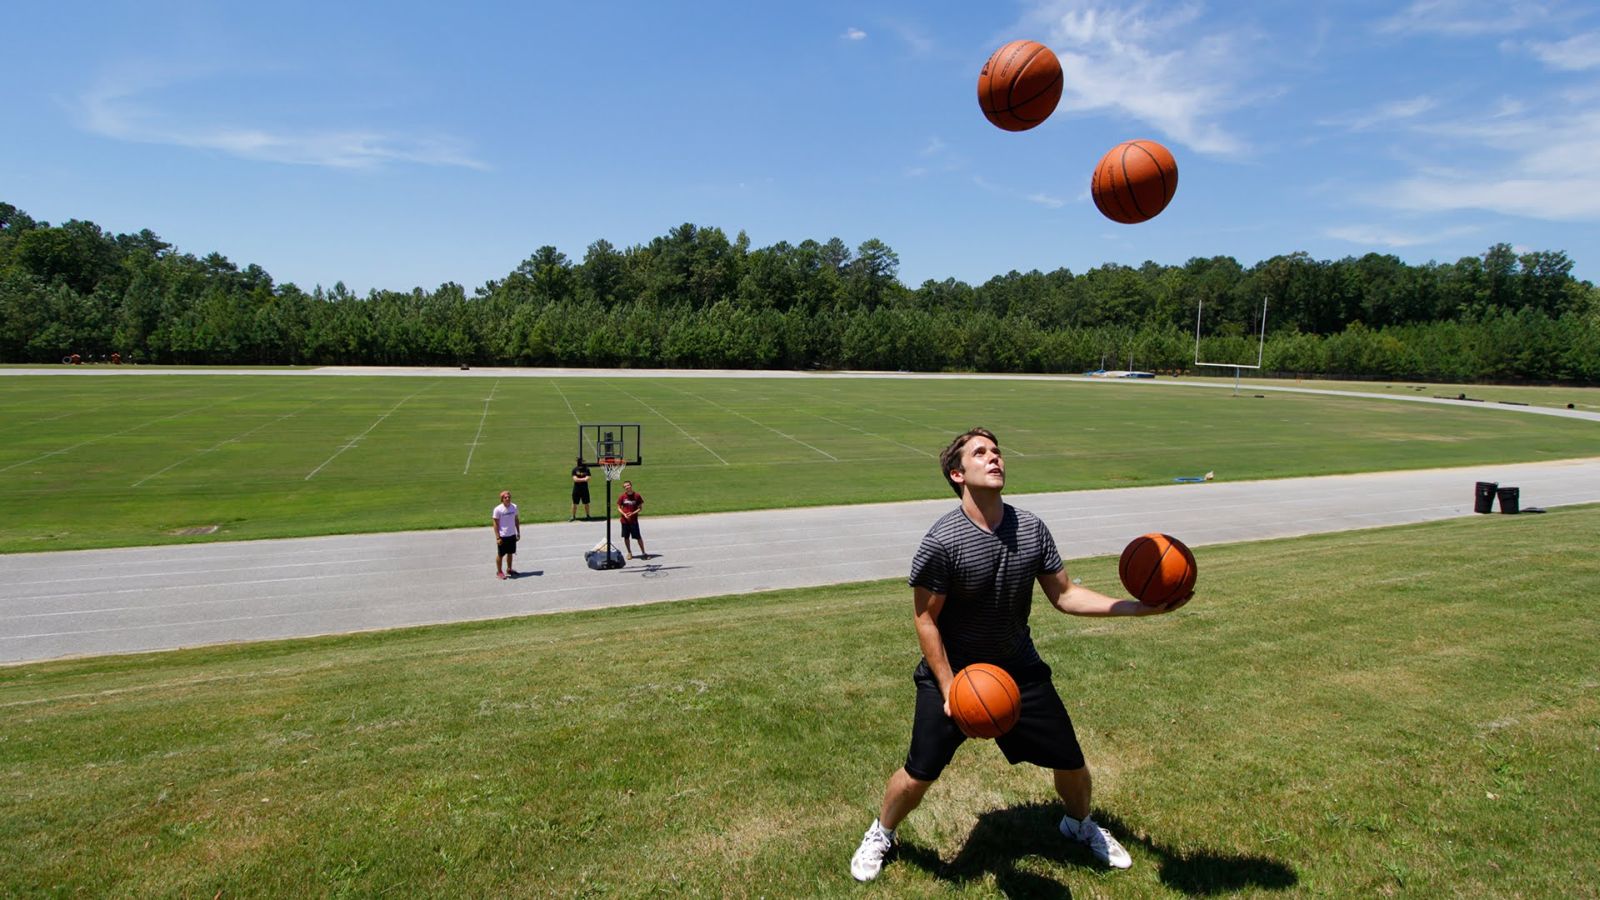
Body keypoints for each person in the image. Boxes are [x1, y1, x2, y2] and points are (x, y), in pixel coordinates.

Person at [849, 427, 1190, 882]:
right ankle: (882, 832)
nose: (994, 458)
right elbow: (925, 620)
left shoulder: (1030, 528)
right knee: (918, 773)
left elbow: (1065, 595)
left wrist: (1138, 608)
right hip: (956, 674)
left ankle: (1078, 825)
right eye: (980, 453)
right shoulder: (942, 541)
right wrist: (950, 687)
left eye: (997, 451)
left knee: (1072, 762)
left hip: (1017, 666)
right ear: (957, 473)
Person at [492, 490, 521, 579]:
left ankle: (509, 569)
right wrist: (497, 537)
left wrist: (518, 532)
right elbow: (495, 524)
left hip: (512, 534)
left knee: (510, 553)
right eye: (505, 497)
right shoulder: (498, 509)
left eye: (509, 497)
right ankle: (499, 572)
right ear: (502, 499)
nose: (507, 498)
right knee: (500, 554)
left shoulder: (514, 507)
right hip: (502, 536)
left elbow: (516, 520)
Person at [617, 480, 646, 560]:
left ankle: (643, 552)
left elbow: (640, 508)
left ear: (631, 486)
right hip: (624, 521)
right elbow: (619, 507)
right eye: (625, 486)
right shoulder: (622, 496)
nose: (627, 487)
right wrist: (624, 514)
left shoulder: (637, 496)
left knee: (638, 537)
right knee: (626, 537)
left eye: (628, 485)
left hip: (633, 521)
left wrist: (632, 513)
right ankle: (629, 552)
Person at [570, 457, 592, 521]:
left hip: (584, 489)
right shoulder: (574, 469)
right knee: (574, 503)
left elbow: (588, 478)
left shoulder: (586, 469)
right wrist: (583, 479)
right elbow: (575, 479)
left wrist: (580, 479)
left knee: (586, 503)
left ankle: (588, 515)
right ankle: (573, 516)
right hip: (576, 489)